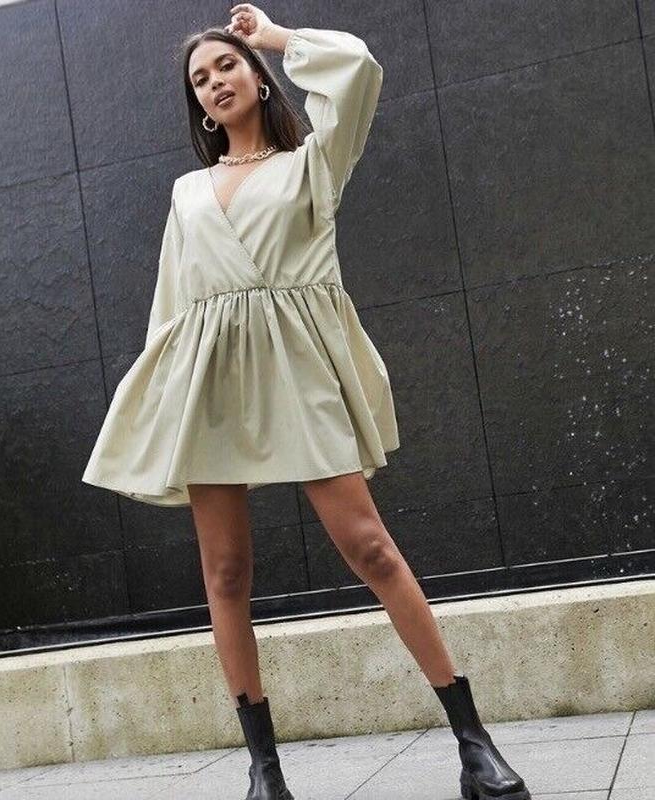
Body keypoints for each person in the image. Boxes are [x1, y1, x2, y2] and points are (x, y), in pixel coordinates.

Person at [82, 4, 532, 799]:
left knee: (371, 548)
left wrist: (274, 37)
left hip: (298, 371)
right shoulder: (187, 192)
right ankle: (265, 773)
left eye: (226, 65)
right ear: (198, 105)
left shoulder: (314, 164)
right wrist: (158, 406)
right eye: (200, 79)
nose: (215, 82)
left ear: (258, 78)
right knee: (226, 572)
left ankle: (474, 744)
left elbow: (356, 69)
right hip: (210, 383)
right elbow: (172, 306)